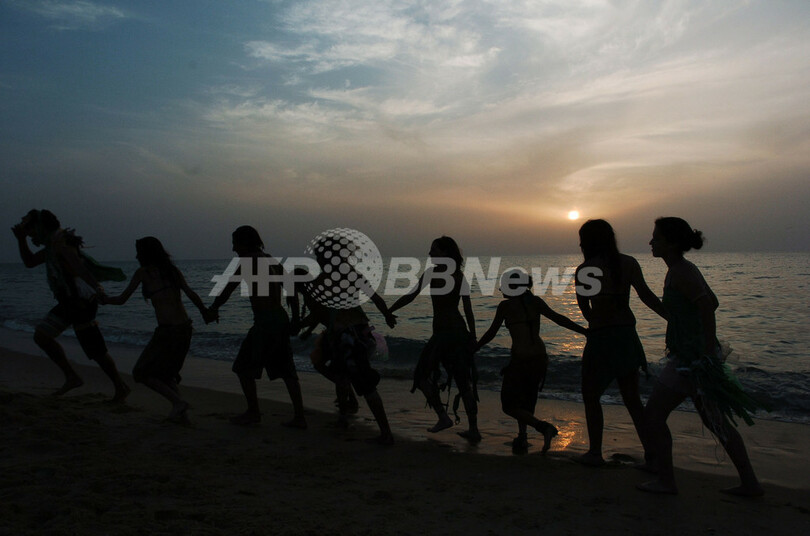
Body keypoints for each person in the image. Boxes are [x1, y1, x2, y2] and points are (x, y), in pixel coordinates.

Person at [638, 217, 764, 496]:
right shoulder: (681, 270)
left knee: (654, 416)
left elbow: (707, 306)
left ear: (671, 243)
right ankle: (750, 483)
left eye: (656, 238)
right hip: (690, 357)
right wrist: (683, 322)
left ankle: (666, 481)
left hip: (691, 361)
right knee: (714, 421)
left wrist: (706, 354)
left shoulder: (682, 272)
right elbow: (711, 302)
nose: (651, 242)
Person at [574, 219, 668, 467]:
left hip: (601, 337)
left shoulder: (585, 269)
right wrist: (671, 317)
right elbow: (646, 296)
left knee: (591, 395)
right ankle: (652, 454)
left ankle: (595, 452)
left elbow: (584, 308)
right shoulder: (628, 263)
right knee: (632, 399)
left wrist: (597, 322)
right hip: (627, 335)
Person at [11, 210, 130, 401]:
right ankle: (75, 377)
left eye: (30, 229)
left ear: (40, 227)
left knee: (94, 349)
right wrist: (21, 240)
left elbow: (79, 268)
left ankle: (119, 386)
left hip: (80, 302)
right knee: (43, 336)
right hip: (69, 301)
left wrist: (98, 289)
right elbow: (30, 262)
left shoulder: (61, 243)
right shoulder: (52, 245)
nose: (30, 234)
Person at [100, 237, 214, 422]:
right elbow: (190, 293)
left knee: (141, 372)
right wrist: (204, 312)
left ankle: (178, 402)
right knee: (167, 374)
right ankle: (181, 415)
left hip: (168, 331)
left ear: (146, 254)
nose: (136, 256)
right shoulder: (172, 271)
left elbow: (122, 299)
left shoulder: (143, 273)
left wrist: (104, 300)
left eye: (138, 252)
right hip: (185, 328)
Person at [476, 268, 587, 454]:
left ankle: (543, 427)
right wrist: (584, 331)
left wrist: (475, 347)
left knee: (509, 405)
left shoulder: (505, 307)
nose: (501, 289)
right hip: (539, 358)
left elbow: (491, 333)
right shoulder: (535, 302)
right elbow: (559, 319)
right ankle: (523, 436)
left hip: (522, 359)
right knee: (527, 400)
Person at [208, 226, 306, 428]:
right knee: (287, 371)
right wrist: (295, 319)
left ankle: (253, 412)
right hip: (279, 318)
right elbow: (291, 289)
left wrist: (214, 308)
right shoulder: (270, 260)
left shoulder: (248, 261)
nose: (233, 249)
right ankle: (299, 417)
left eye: (235, 243)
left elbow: (228, 289)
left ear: (245, 243)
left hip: (265, 322)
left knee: (242, 367)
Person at [389, 236, 480, 443]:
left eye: (434, 250)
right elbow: (467, 309)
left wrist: (389, 310)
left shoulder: (433, 273)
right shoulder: (459, 275)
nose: (430, 253)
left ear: (445, 252)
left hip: (443, 335)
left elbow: (411, 295)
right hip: (459, 332)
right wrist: (473, 336)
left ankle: (443, 416)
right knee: (463, 383)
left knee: (421, 377)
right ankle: (473, 429)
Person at [297, 274, 397, 444]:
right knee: (343, 375)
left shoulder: (324, 284)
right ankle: (347, 416)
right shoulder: (338, 279)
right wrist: (386, 314)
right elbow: (321, 314)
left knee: (353, 380)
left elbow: (319, 314)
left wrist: (300, 327)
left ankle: (381, 431)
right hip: (346, 334)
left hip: (348, 336)